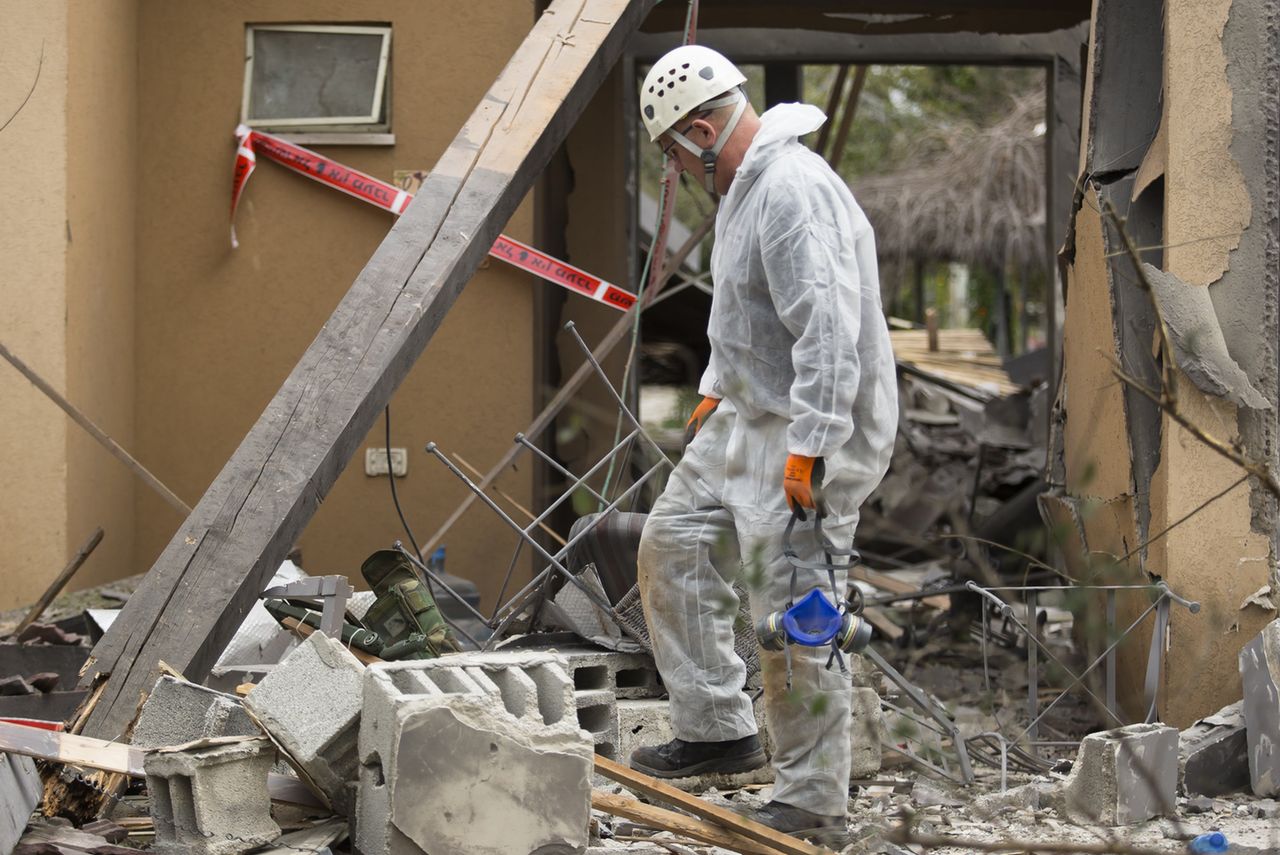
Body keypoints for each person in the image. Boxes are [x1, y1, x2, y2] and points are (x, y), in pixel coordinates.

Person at [631, 45, 898, 844]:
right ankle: (719, 729)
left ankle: (813, 800)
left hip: (814, 423)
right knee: (672, 543)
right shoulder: (746, 189)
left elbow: (828, 329)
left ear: (703, 128)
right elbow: (745, 314)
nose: (677, 169)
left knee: (796, 609)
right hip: (751, 413)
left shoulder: (790, 191)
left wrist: (813, 447)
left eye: (676, 153)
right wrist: (715, 386)